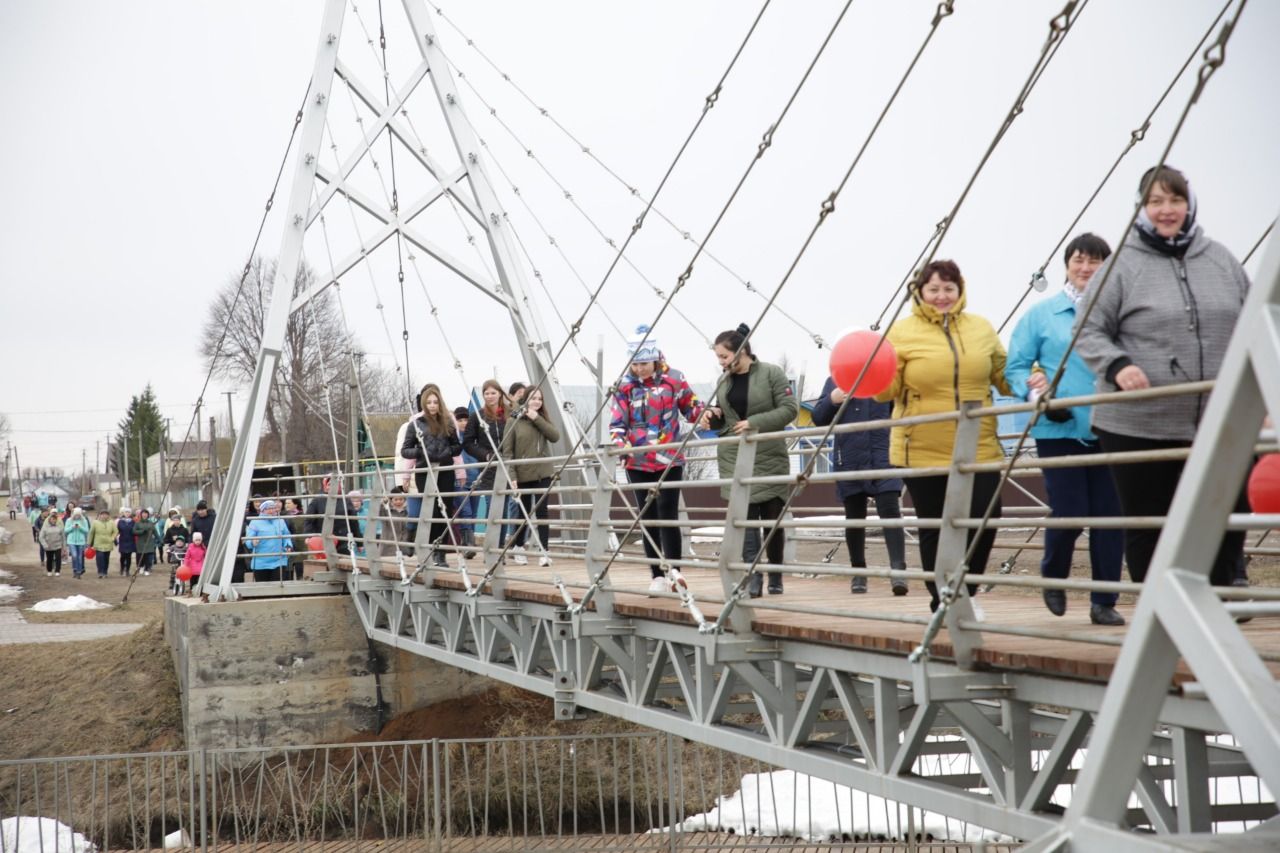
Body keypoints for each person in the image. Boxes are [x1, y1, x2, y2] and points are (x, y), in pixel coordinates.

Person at [1074, 165, 1250, 588]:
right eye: (1156, 201)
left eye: (1175, 200)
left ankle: (1222, 600)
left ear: (1189, 205)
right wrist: (1118, 366)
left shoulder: (1221, 259)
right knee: (1151, 522)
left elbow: (1253, 325)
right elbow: (1087, 328)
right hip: (1139, 423)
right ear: (1141, 207)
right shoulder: (1121, 266)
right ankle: (1160, 615)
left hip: (1218, 417)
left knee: (1226, 509)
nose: (1166, 210)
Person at [874, 259, 1012, 612]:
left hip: (976, 444)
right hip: (921, 446)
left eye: (948, 288)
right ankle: (943, 601)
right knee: (936, 527)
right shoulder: (901, 333)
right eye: (933, 289)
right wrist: (868, 370)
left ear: (960, 290)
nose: (941, 296)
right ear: (919, 292)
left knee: (986, 516)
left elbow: (1004, 374)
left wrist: (1038, 375)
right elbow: (884, 392)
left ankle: (964, 594)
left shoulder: (980, 328)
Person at [1007, 233, 1126, 626]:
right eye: (1079, 260)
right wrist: (1036, 390)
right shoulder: (1042, 315)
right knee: (1070, 510)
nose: (1086, 268)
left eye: (1095, 261)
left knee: (1110, 517)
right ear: (1066, 265)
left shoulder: (1121, 313)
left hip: (1111, 426)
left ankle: (1104, 600)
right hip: (1059, 429)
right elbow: (1016, 367)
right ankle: (1053, 575)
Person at [698, 323, 800, 597]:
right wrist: (713, 414)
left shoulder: (771, 373)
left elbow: (790, 409)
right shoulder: (724, 381)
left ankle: (775, 575)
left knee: (772, 520)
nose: (721, 362)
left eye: (724, 356)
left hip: (768, 454)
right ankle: (753, 576)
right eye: (718, 357)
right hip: (735, 457)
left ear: (741, 352)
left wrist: (754, 422)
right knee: (745, 522)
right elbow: (728, 418)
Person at [610, 324, 704, 591]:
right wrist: (621, 443)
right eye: (635, 364)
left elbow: (691, 407)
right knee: (647, 516)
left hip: (669, 458)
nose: (639, 369)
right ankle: (657, 576)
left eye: (644, 363)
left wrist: (707, 414)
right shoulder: (623, 386)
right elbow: (617, 423)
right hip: (637, 460)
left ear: (655, 358)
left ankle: (675, 569)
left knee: (668, 513)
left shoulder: (674, 379)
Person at [811, 377, 908, 596]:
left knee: (890, 510)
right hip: (850, 457)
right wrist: (832, 400)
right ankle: (858, 572)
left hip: (883, 454)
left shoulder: (885, 376)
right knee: (854, 517)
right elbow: (818, 418)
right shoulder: (835, 380)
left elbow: (904, 411)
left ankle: (898, 571)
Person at [401, 384, 462, 567]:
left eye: (435, 402)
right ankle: (428, 548)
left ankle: (440, 552)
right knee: (431, 510)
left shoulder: (448, 423)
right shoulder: (415, 425)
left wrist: (447, 453)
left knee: (444, 510)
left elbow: (458, 447)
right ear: (424, 404)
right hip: (425, 472)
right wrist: (420, 453)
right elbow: (405, 450)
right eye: (429, 402)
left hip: (444, 470)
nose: (433, 406)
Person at [500, 386, 561, 567]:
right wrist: (512, 476)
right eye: (533, 398)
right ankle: (519, 547)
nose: (536, 402)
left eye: (539, 399)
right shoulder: (513, 421)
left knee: (542, 510)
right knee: (524, 511)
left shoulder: (541, 419)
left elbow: (555, 436)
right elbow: (508, 452)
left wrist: (537, 418)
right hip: (523, 473)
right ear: (525, 399)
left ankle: (544, 550)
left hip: (543, 471)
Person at [463, 379, 511, 544]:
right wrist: (485, 455)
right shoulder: (477, 416)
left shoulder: (509, 414)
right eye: (486, 393)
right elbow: (468, 443)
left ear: (500, 394)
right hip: (489, 468)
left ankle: (500, 546)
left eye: (493, 393)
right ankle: (491, 546)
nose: (490, 396)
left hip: (508, 466)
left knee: (503, 510)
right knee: (493, 507)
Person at [244, 499, 292, 582]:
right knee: (263, 589)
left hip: (279, 561)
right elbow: (248, 540)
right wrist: (252, 542)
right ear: (262, 510)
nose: (271, 511)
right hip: (261, 563)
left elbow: (286, 536)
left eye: (273, 508)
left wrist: (288, 546)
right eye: (268, 509)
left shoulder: (281, 521)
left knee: (278, 587)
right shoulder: (255, 522)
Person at [453, 406, 479, 558]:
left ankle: (468, 543)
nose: (463, 423)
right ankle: (468, 544)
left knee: (473, 513)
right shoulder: (453, 437)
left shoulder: (474, 437)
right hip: (459, 480)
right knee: (465, 511)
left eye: (465, 419)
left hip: (475, 478)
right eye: (460, 420)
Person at [377, 486, 414, 559]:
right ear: (391, 500)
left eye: (401, 499)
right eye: (396, 499)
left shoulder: (408, 511)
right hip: (388, 548)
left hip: (404, 548)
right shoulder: (386, 511)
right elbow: (378, 510)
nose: (398, 501)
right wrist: (384, 501)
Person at [282, 496, 306, 580]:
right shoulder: (283, 516)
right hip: (288, 547)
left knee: (300, 572)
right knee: (288, 573)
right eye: (285, 503)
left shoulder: (303, 516)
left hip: (300, 547)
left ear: (295, 505)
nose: (286, 505)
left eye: (289, 503)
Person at [64, 507, 91, 579]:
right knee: (74, 555)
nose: (77, 516)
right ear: (73, 514)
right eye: (76, 514)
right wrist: (72, 527)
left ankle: (78, 572)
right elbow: (66, 530)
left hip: (81, 541)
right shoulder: (69, 520)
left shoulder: (84, 521)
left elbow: (87, 531)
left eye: (79, 515)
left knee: (79, 557)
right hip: (71, 541)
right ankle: (74, 569)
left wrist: (80, 527)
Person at [90, 509, 116, 579]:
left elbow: (115, 531)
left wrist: (112, 538)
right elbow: (91, 533)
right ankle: (100, 572)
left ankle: (105, 572)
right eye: (103, 514)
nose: (104, 516)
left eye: (106, 514)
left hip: (108, 543)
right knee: (99, 558)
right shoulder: (95, 522)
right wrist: (89, 543)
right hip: (98, 543)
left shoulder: (111, 522)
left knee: (106, 558)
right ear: (100, 515)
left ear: (108, 515)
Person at [38, 510, 66, 577]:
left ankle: (57, 571)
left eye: (54, 519)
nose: (53, 520)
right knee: (49, 559)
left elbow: (63, 537)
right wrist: (45, 545)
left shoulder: (59, 527)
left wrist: (64, 547)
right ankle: (49, 570)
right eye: (52, 519)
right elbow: (41, 537)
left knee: (58, 558)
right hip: (49, 546)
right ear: (49, 520)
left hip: (58, 545)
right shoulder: (45, 527)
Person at [133, 509, 159, 576]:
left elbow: (155, 532)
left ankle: (147, 569)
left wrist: (160, 540)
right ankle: (141, 567)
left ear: (148, 515)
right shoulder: (137, 523)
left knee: (148, 557)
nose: (144, 515)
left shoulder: (150, 523)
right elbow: (134, 531)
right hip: (140, 542)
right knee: (141, 556)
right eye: (143, 514)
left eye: (146, 514)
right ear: (141, 515)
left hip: (149, 542)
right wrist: (141, 531)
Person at [116, 508, 137, 577]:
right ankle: (122, 568)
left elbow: (134, 531)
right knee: (123, 556)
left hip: (130, 541)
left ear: (130, 513)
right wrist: (115, 539)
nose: (127, 514)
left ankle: (127, 570)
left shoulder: (133, 522)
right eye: (126, 512)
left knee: (129, 557)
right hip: (123, 540)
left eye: (128, 512)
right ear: (123, 513)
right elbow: (117, 531)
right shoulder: (120, 521)